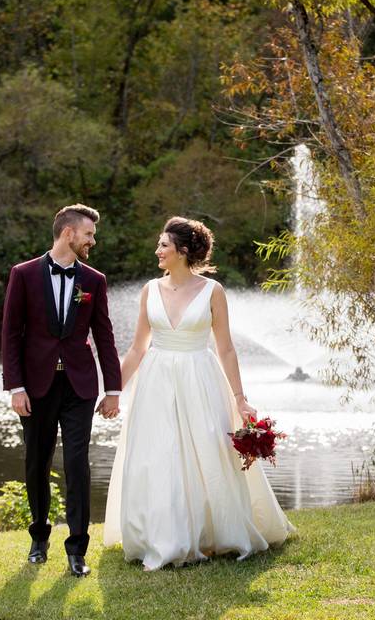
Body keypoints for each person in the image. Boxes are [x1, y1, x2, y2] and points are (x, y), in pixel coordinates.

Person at [102, 216, 296, 571]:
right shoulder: (150, 290)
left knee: (207, 452)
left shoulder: (212, 291)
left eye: (163, 245)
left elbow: (226, 349)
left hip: (200, 378)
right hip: (156, 382)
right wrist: (113, 391)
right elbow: (136, 350)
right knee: (159, 455)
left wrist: (240, 397)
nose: (157, 250)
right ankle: (163, 536)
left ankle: (211, 531)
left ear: (183, 251)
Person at [0, 203, 122, 576]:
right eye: (88, 235)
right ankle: (39, 539)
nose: (92, 241)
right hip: (35, 387)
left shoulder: (94, 281)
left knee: (76, 464)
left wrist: (113, 389)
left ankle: (77, 550)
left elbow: (104, 335)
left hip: (79, 386)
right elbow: (11, 335)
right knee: (36, 462)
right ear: (68, 233)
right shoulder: (22, 275)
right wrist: (15, 387)